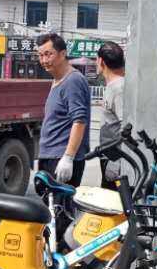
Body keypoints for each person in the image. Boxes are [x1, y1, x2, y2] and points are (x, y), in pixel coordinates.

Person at [36, 33, 91, 189]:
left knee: (60, 210)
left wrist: (68, 157)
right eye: (41, 55)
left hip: (60, 158)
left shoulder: (73, 80)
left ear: (63, 53)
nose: (44, 60)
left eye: (48, 54)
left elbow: (79, 121)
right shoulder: (57, 80)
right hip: (51, 156)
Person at [95, 41, 126, 191]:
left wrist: (118, 161)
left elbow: (127, 127)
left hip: (116, 159)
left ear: (101, 61)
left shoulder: (119, 88)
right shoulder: (113, 86)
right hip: (109, 156)